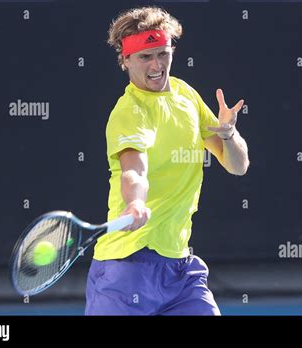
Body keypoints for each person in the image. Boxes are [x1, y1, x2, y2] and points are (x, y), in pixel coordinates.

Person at [85, 6, 249, 315]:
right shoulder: (129, 112)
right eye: (145, 56)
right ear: (126, 60)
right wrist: (134, 203)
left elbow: (238, 166)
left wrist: (228, 134)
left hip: (180, 270)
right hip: (127, 267)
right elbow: (135, 169)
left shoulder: (186, 95)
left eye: (162, 53)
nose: (157, 65)